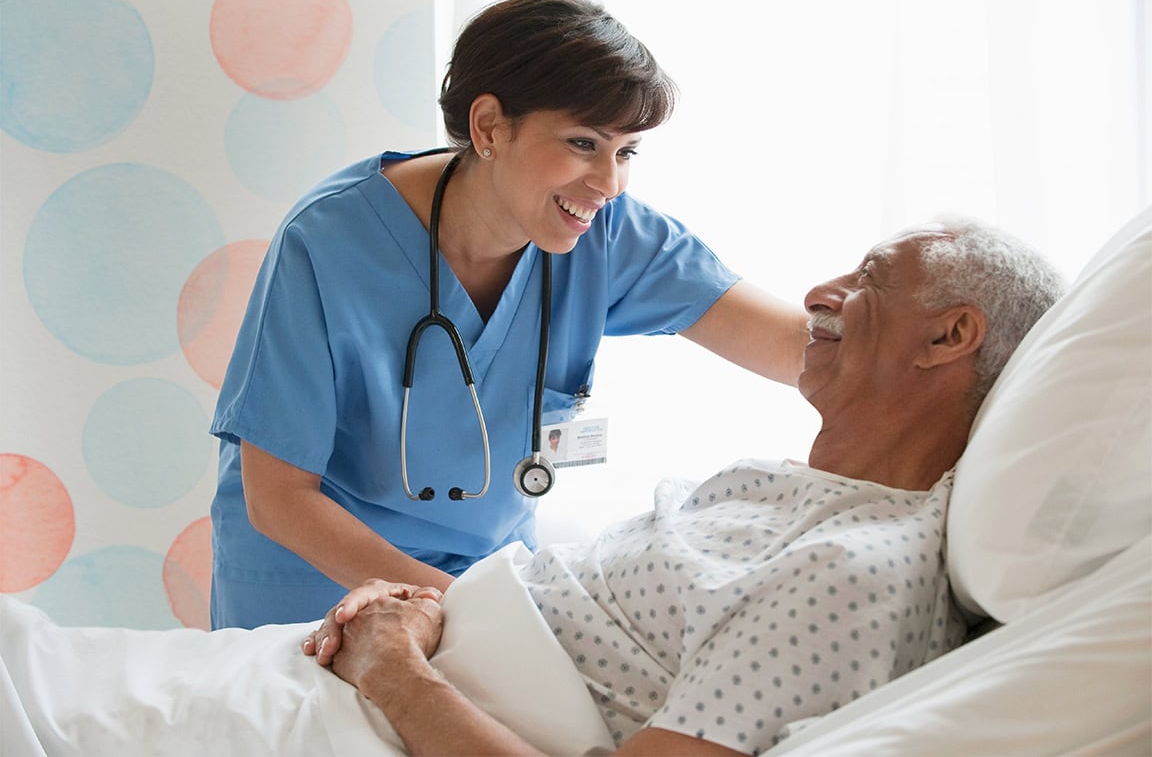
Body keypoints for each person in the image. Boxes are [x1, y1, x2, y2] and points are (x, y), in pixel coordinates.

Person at [301, 217, 1067, 755]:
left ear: (948, 336)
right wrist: (419, 613)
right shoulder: (784, 491)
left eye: (868, 278)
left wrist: (393, 670)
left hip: (388, 704)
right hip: (385, 667)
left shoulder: (852, 573)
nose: (817, 293)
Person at [208, 0, 808, 629]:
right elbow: (279, 500)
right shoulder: (329, 243)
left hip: (486, 577)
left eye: (626, 152)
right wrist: (474, 612)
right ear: (490, 125)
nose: (609, 183)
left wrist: (918, 339)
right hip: (317, 583)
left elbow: (793, 346)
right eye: (584, 143)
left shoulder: (604, 232)